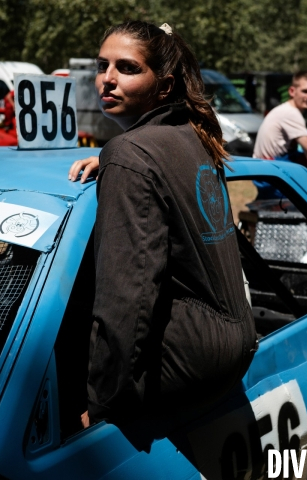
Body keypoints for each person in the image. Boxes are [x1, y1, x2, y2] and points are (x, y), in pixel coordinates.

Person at [68, 21, 257, 450]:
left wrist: (101, 402)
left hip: (189, 356)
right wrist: (118, 162)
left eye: (128, 68)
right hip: (235, 345)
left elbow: (127, 293)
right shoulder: (188, 136)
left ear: (164, 84)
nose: (107, 79)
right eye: (102, 66)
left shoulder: (134, 154)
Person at [253, 71, 307, 179]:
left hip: (262, 169)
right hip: (271, 171)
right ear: (292, 91)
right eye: (305, 91)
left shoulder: (284, 109)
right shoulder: (291, 113)